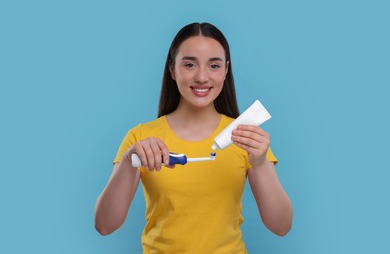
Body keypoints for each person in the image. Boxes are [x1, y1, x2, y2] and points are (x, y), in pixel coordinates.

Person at [94, 22, 293, 253]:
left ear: (226, 70)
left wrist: (259, 164)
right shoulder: (141, 138)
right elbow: (105, 226)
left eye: (214, 65)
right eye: (189, 64)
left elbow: (281, 226)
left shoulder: (245, 138)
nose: (201, 77)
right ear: (172, 69)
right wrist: (129, 161)